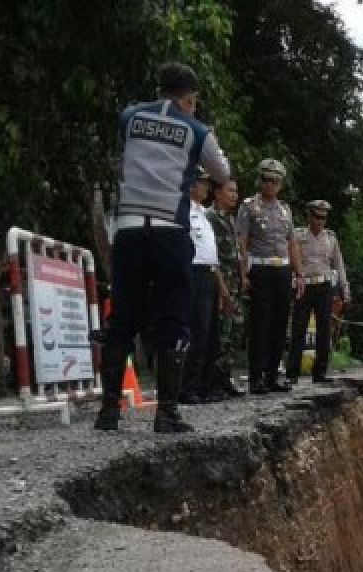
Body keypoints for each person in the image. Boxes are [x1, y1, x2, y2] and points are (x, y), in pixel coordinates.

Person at [95, 62, 229, 433]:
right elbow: (222, 174)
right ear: (189, 99)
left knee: (122, 317)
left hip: (130, 230)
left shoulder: (130, 116)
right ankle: (166, 413)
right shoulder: (196, 130)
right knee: (173, 317)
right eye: (194, 100)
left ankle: (108, 412)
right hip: (170, 231)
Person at [237, 159, 297, 394]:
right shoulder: (249, 207)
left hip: (282, 269)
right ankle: (256, 377)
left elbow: (291, 242)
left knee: (280, 324)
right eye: (266, 179)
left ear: (280, 184)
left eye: (275, 181)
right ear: (260, 180)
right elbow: (242, 241)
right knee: (260, 324)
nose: (270, 184)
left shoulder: (285, 210)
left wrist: (298, 273)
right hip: (260, 269)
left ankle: (273, 375)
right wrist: (243, 272)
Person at [285, 199, 350, 384]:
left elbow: (339, 264)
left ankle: (320, 372)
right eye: (316, 216)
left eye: (323, 217)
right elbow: (292, 259)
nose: (320, 221)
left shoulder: (331, 238)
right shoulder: (298, 235)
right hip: (304, 286)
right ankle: (292, 374)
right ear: (309, 216)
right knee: (298, 329)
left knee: (324, 329)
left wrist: (345, 288)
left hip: (324, 286)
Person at [179, 166, 220, 404]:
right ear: (192, 184)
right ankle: (188, 387)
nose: (206, 187)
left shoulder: (204, 213)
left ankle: (203, 385)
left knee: (209, 333)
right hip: (192, 272)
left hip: (209, 273)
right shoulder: (183, 211)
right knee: (195, 330)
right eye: (203, 183)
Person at [205, 176, 243, 399]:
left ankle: (225, 379)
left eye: (236, 191)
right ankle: (212, 382)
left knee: (232, 333)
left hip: (234, 282)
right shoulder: (211, 218)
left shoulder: (230, 219)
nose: (235, 195)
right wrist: (222, 288)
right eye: (230, 191)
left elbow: (235, 253)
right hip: (221, 284)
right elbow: (212, 257)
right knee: (219, 334)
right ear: (217, 193)